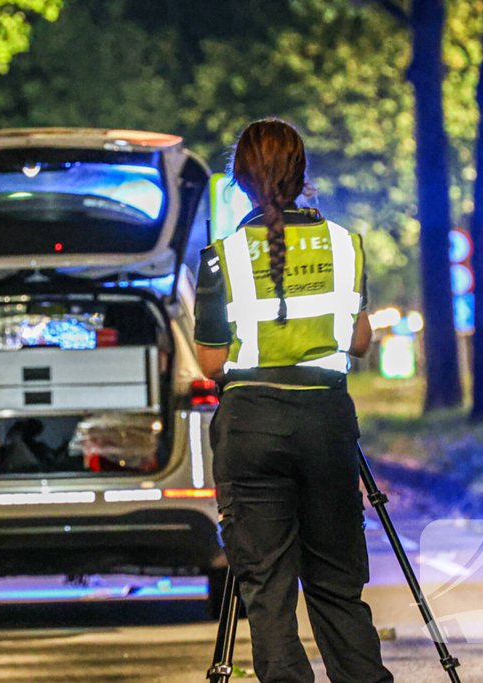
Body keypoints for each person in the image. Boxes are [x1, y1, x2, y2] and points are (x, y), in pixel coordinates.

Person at [195, 119, 393, 683]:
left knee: (269, 594)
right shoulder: (344, 244)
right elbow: (357, 342)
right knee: (336, 585)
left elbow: (211, 365)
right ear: (304, 175)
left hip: (251, 429)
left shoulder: (220, 258)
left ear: (241, 182)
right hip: (325, 426)